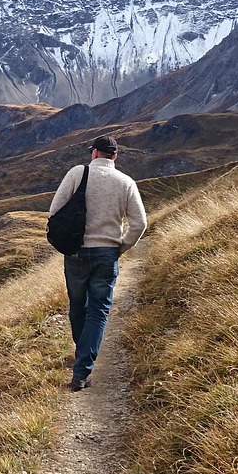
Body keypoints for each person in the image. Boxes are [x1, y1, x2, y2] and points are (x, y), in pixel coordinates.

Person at [48, 134, 147, 391]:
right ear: (115, 156)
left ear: (94, 153)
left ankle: (82, 358)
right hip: (107, 254)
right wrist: (121, 247)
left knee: (78, 306)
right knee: (99, 310)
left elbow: (54, 212)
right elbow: (140, 223)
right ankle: (82, 368)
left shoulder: (76, 174)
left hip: (76, 253)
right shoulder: (126, 182)